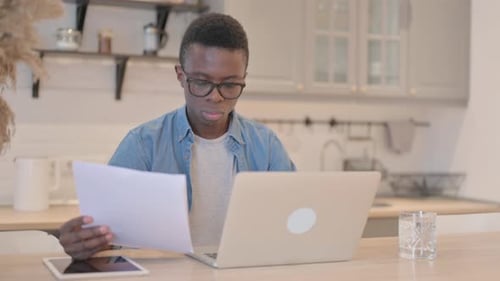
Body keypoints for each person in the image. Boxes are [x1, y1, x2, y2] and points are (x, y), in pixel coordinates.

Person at [58, 13, 296, 260]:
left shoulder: (266, 146)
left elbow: (293, 220)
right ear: (181, 76)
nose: (215, 97)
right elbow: (109, 240)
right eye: (201, 82)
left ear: (243, 78)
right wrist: (84, 243)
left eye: (229, 84)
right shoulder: (143, 144)